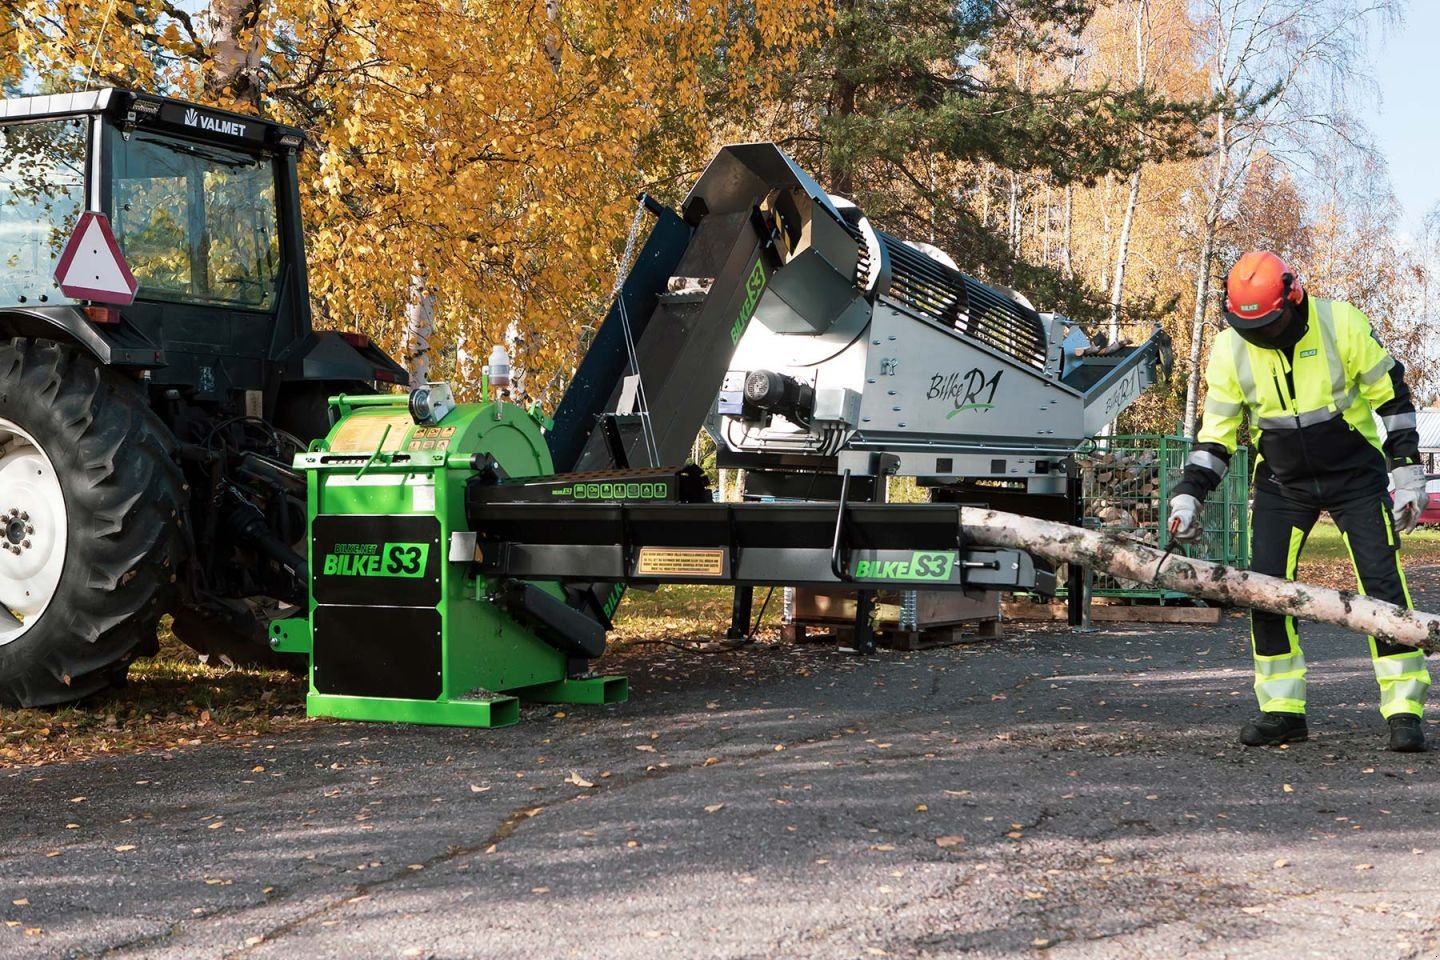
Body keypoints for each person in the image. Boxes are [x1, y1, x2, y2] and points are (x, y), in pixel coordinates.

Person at [1168, 250, 1430, 752]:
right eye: (1251, 327)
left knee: (1383, 587)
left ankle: (1404, 710)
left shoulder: (1341, 324)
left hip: (1355, 474)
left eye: (1269, 324)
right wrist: (1189, 496)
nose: (1260, 335)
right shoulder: (1229, 349)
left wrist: (1408, 470)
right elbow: (1216, 437)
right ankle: (1282, 711)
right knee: (1264, 590)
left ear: (1293, 297)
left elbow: (1392, 399)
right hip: (1283, 483)